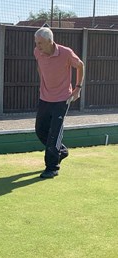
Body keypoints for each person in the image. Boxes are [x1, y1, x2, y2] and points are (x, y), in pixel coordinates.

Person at [34, 27, 84, 179]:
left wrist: (78, 88)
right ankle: (61, 152)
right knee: (40, 129)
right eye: (36, 43)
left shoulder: (66, 53)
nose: (38, 46)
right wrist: (44, 83)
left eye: (40, 43)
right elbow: (40, 66)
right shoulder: (37, 52)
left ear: (50, 41)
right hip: (45, 98)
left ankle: (52, 167)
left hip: (62, 99)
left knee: (54, 134)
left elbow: (80, 65)